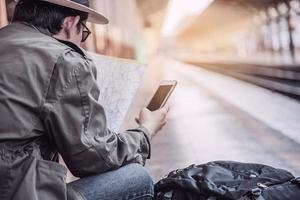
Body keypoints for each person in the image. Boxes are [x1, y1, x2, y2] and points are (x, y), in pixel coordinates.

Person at [0, 0, 169, 199]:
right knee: (137, 178)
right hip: (16, 192)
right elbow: (91, 158)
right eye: (84, 32)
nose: (81, 42)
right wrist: (145, 132)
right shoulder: (64, 61)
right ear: (70, 23)